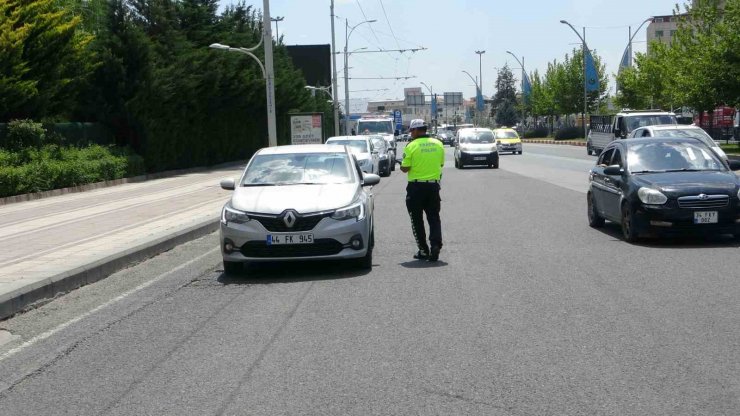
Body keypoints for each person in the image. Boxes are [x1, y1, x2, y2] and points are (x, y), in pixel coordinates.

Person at [400, 119, 445, 261]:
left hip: (416, 188)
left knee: (416, 220)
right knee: (434, 218)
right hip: (433, 187)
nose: (411, 133)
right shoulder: (439, 144)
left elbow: (405, 168)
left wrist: (402, 165)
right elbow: (441, 163)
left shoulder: (411, 146)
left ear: (417, 130)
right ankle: (435, 245)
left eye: (411, 130)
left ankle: (424, 250)